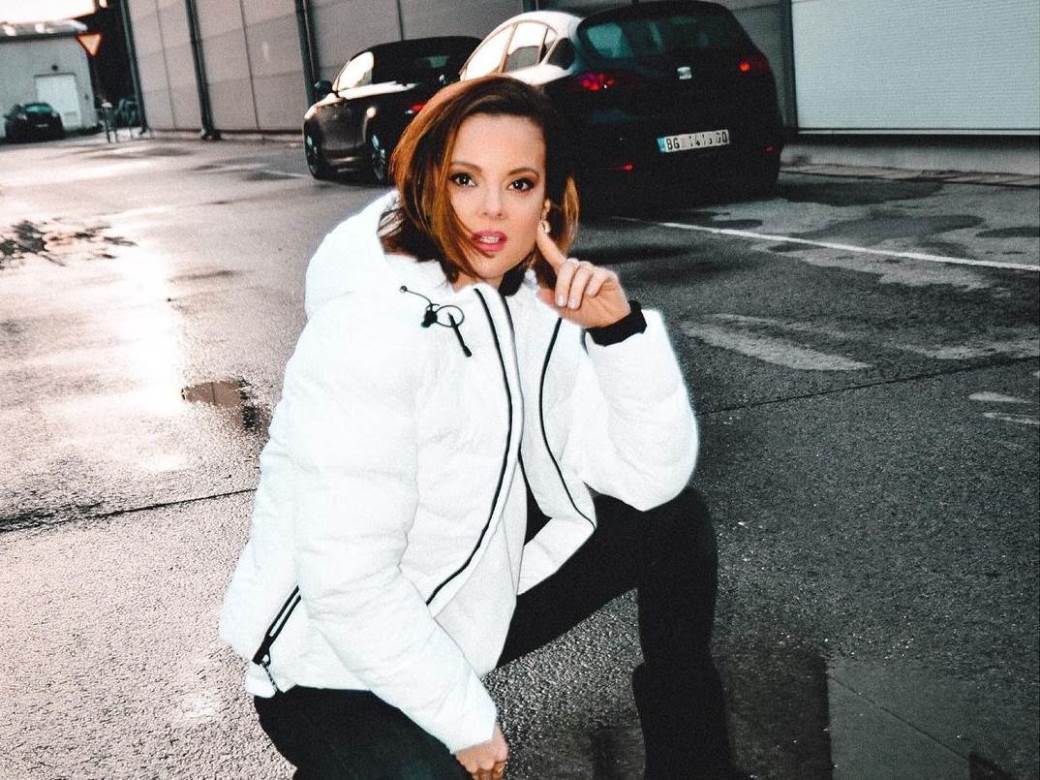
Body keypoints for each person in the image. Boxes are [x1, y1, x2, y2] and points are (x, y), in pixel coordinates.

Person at [219, 74, 745, 779]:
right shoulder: (369, 328)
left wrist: (618, 336)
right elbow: (345, 585)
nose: (492, 208)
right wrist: (463, 719)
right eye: (465, 179)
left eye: (519, 184)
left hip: (466, 608)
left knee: (674, 525)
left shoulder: (534, 306)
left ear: (548, 202)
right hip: (327, 665)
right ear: (426, 184)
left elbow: (650, 483)